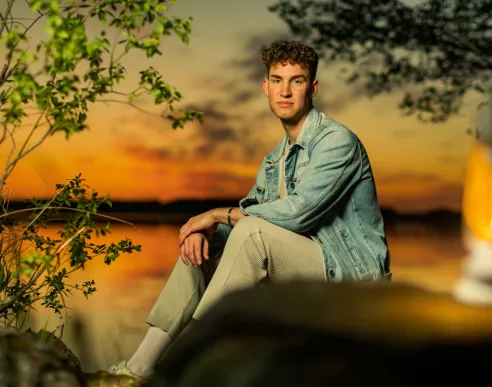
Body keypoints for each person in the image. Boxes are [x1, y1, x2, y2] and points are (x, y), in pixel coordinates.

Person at [108, 40, 391, 379]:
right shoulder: (274, 160)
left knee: (250, 232)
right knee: (201, 247)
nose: (284, 91)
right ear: (266, 87)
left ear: (313, 88)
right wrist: (206, 231)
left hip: (349, 277)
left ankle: (195, 357)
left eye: (296, 81)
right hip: (301, 268)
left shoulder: (336, 141)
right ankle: (137, 368)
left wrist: (216, 214)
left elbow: (297, 214)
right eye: (277, 80)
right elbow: (248, 221)